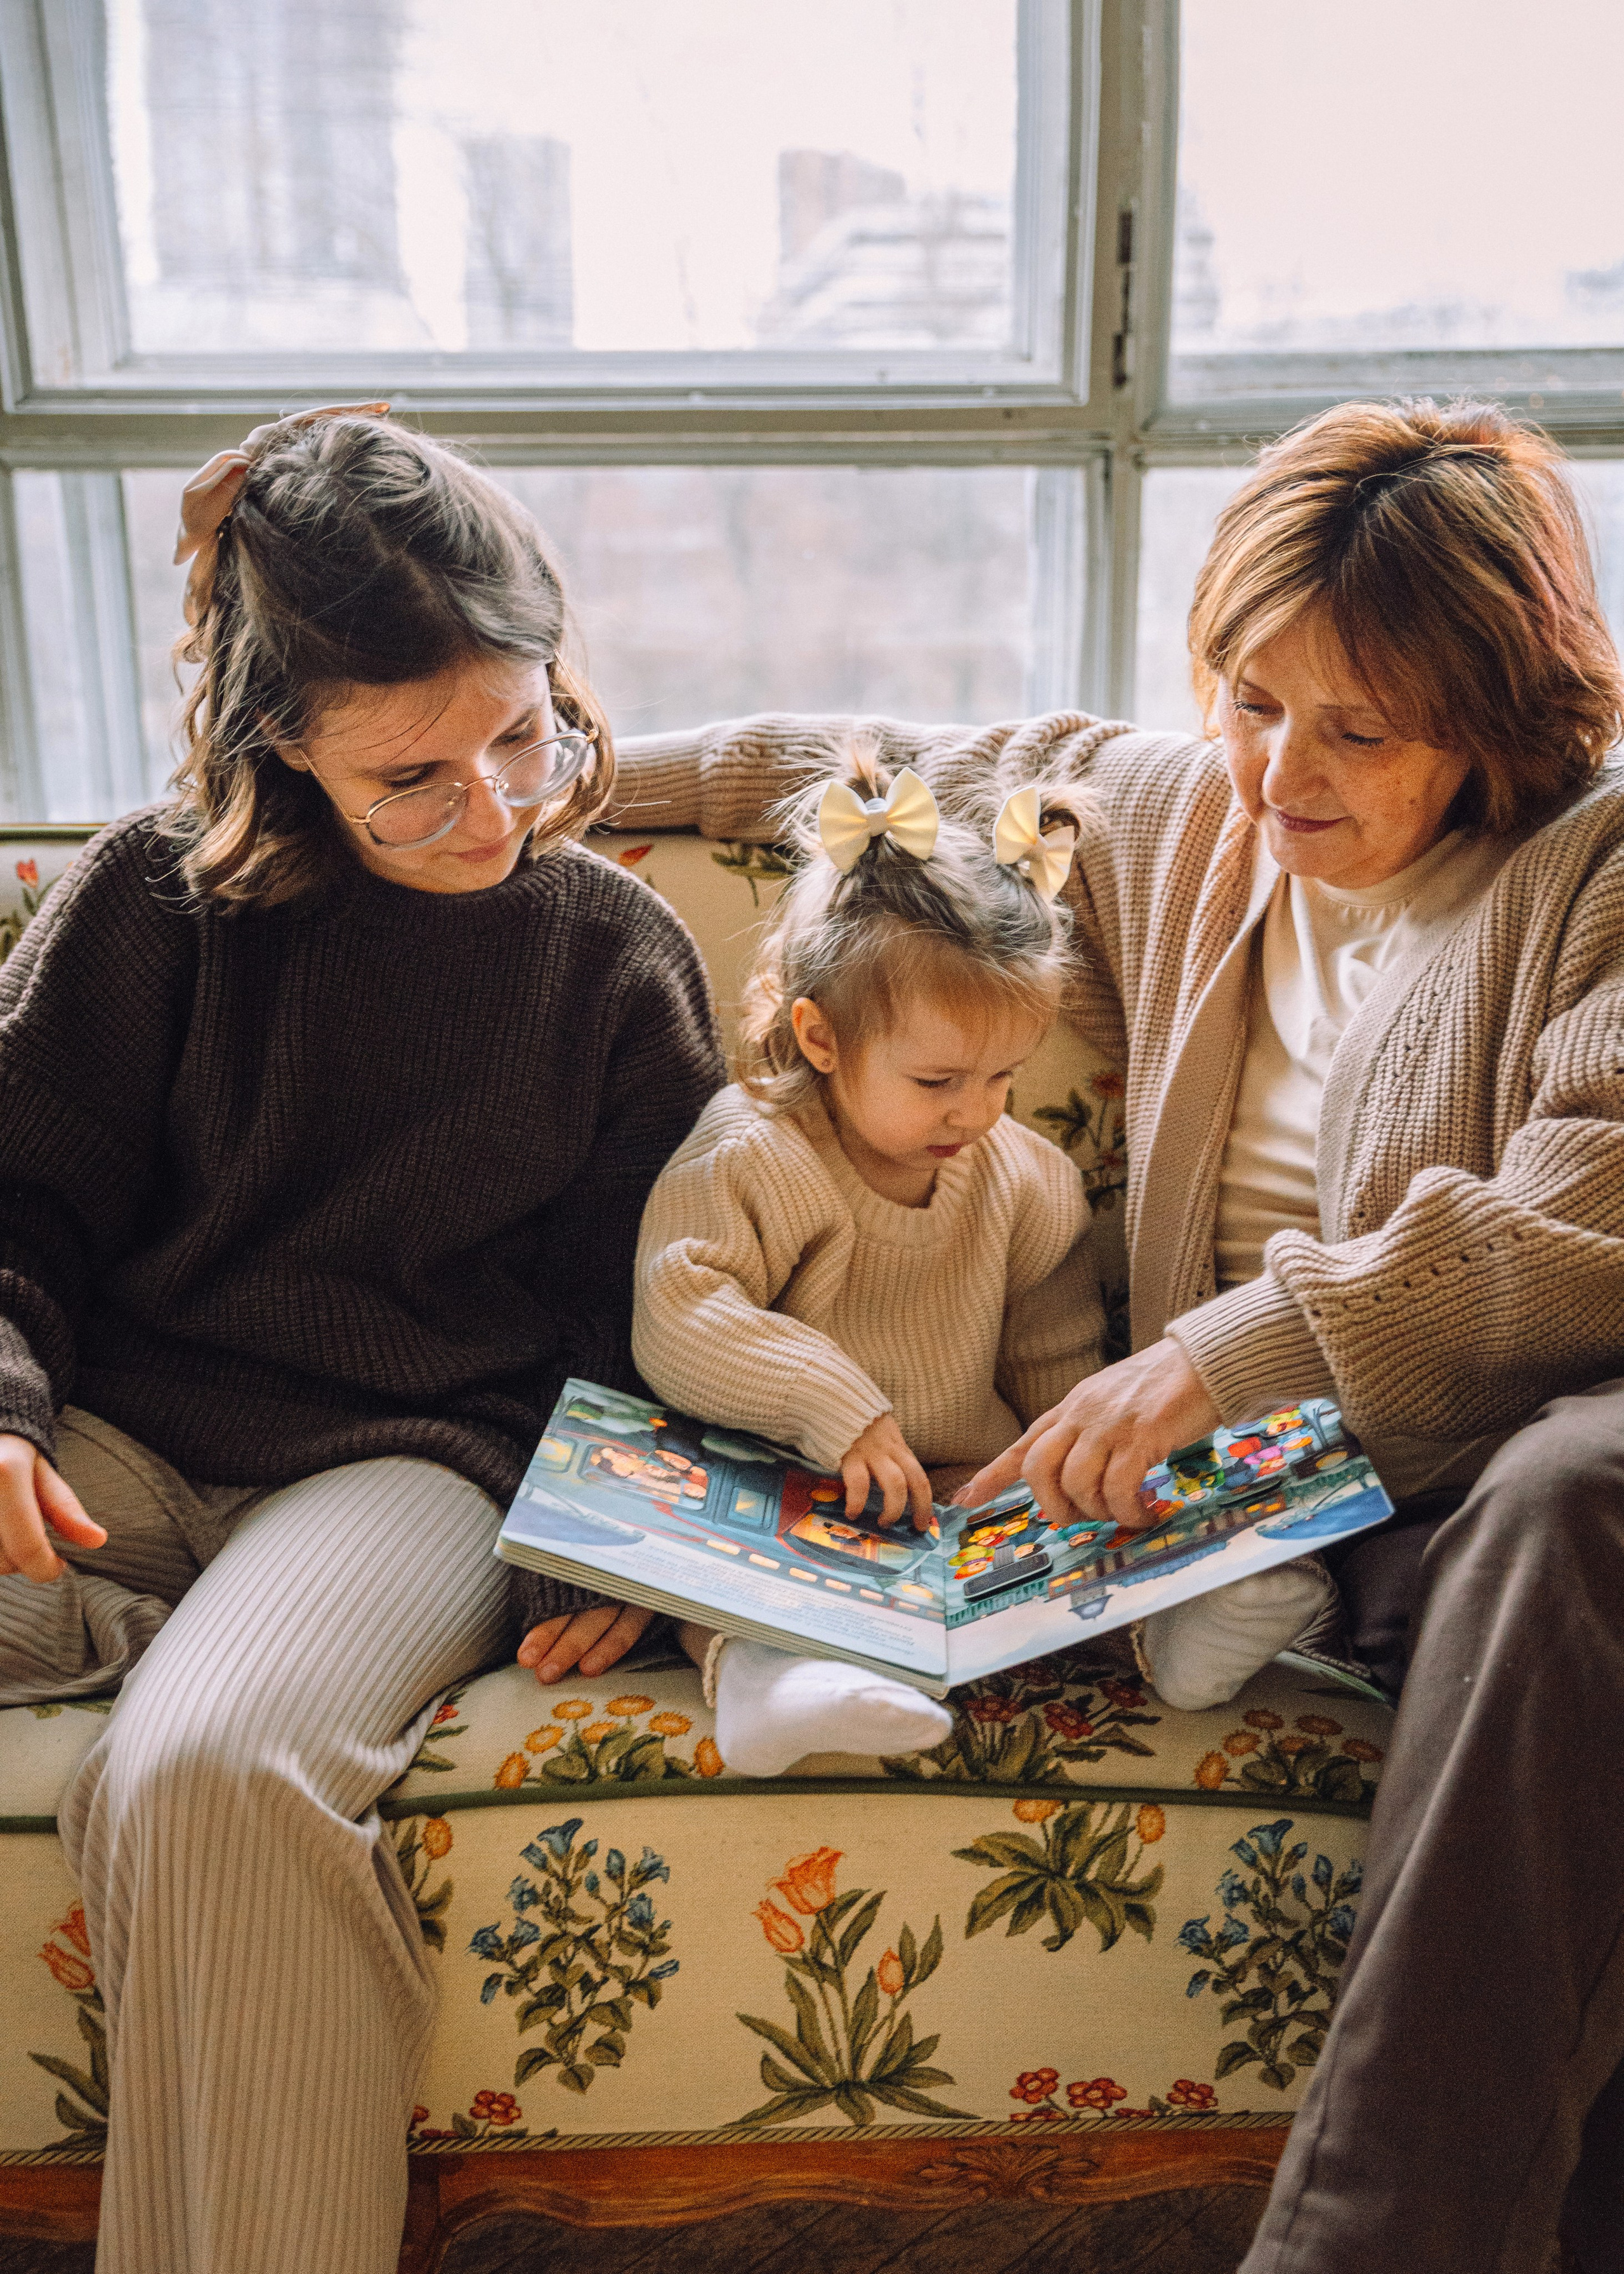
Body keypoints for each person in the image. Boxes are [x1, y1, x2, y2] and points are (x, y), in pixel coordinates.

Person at [604, 398, 1624, 2272]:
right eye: (1246, 697)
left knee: (1583, 1498)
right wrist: (552, 778)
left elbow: (1593, 1216)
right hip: (1218, 1505)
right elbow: (851, 769)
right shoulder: (1170, 820)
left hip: (1476, 1495)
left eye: (1354, 730)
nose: (1270, 773)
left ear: (1496, 715)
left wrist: (1230, 1354)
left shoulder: (1598, 871)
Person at [0, 408, 721, 2274]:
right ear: (280, 753)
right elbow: (20, 1206)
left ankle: (171, 1665)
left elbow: (649, 1322)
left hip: (409, 1467)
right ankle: (134, 1628)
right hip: (120, 1437)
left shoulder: (618, 956)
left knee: (211, 1779)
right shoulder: (148, 905)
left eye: (523, 730)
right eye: (413, 776)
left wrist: (626, 1541)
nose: (491, 807)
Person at [631, 744, 1110, 1771]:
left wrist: (1053, 1468)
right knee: (703, 1573)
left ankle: (1169, 1628)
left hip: (944, 1487)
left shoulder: (1024, 1179)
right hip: (779, 1481)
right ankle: (773, 1686)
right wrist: (832, 1407)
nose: (975, 1113)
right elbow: (679, 1308)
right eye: (939, 1079)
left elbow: (1053, 1352)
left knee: (1073, 1528)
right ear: (820, 1037)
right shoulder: (758, 1149)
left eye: (1003, 1078)